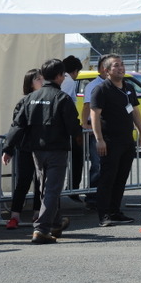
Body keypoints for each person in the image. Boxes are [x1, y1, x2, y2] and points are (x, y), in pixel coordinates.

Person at [1, 59, 81, 244]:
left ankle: (55, 223)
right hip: (56, 150)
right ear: (60, 76)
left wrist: (8, 148)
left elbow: (17, 125)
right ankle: (42, 229)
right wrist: (78, 137)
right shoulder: (62, 98)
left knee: (46, 188)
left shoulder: (29, 99)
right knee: (52, 189)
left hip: (35, 150)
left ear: (43, 76)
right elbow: (73, 126)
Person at [90, 55, 141, 226]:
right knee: (108, 178)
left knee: (121, 178)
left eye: (122, 65)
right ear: (106, 71)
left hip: (126, 141)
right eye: (116, 66)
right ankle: (104, 215)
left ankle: (115, 211)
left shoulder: (128, 87)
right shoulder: (101, 89)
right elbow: (95, 115)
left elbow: (135, 111)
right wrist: (99, 139)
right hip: (109, 141)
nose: (121, 68)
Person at [5, 69, 43, 230]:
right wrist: (9, 148)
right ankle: (15, 216)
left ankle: (38, 214)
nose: (41, 81)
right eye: (37, 79)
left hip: (43, 148)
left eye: (42, 78)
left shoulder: (48, 98)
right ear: (30, 83)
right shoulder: (24, 102)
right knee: (23, 182)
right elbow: (16, 126)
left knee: (41, 183)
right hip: (26, 148)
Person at [80, 55, 117, 210]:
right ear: (104, 68)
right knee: (97, 164)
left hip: (112, 131)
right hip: (97, 131)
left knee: (111, 165)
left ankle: (108, 197)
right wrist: (84, 124)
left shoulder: (117, 84)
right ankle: (93, 198)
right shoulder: (94, 86)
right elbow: (87, 107)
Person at [60, 54, 84, 200]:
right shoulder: (68, 81)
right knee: (76, 158)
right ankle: (73, 188)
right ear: (74, 71)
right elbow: (66, 105)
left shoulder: (62, 79)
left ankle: (72, 188)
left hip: (62, 127)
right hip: (67, 127)